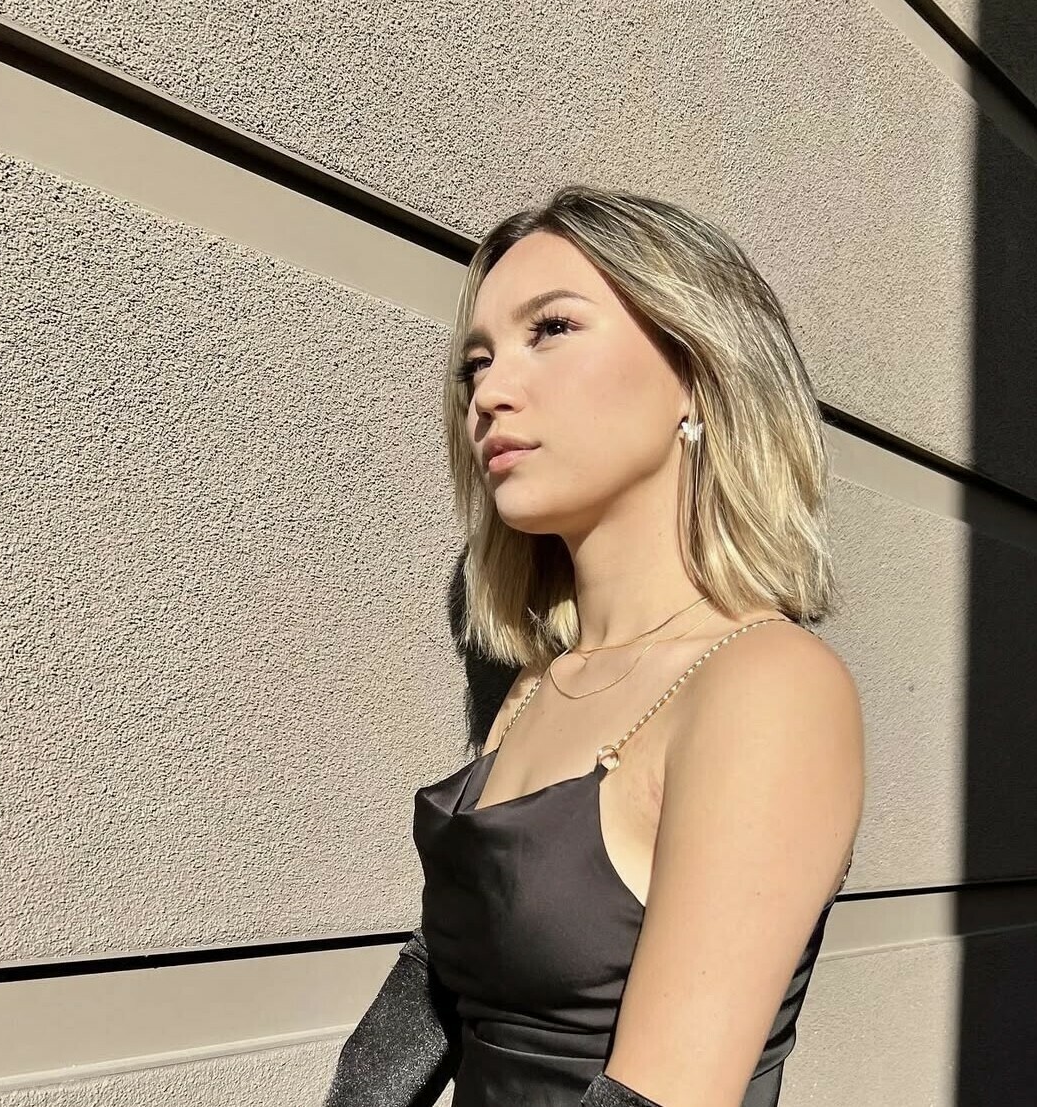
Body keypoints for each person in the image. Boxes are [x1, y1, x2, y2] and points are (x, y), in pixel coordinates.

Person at [323, 184, 865, 1107]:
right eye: (477, 362)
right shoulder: (540, 684)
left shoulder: (768, 686)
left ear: (695, 369)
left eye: (553, 329)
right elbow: (425, 1004)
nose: (490, 393)